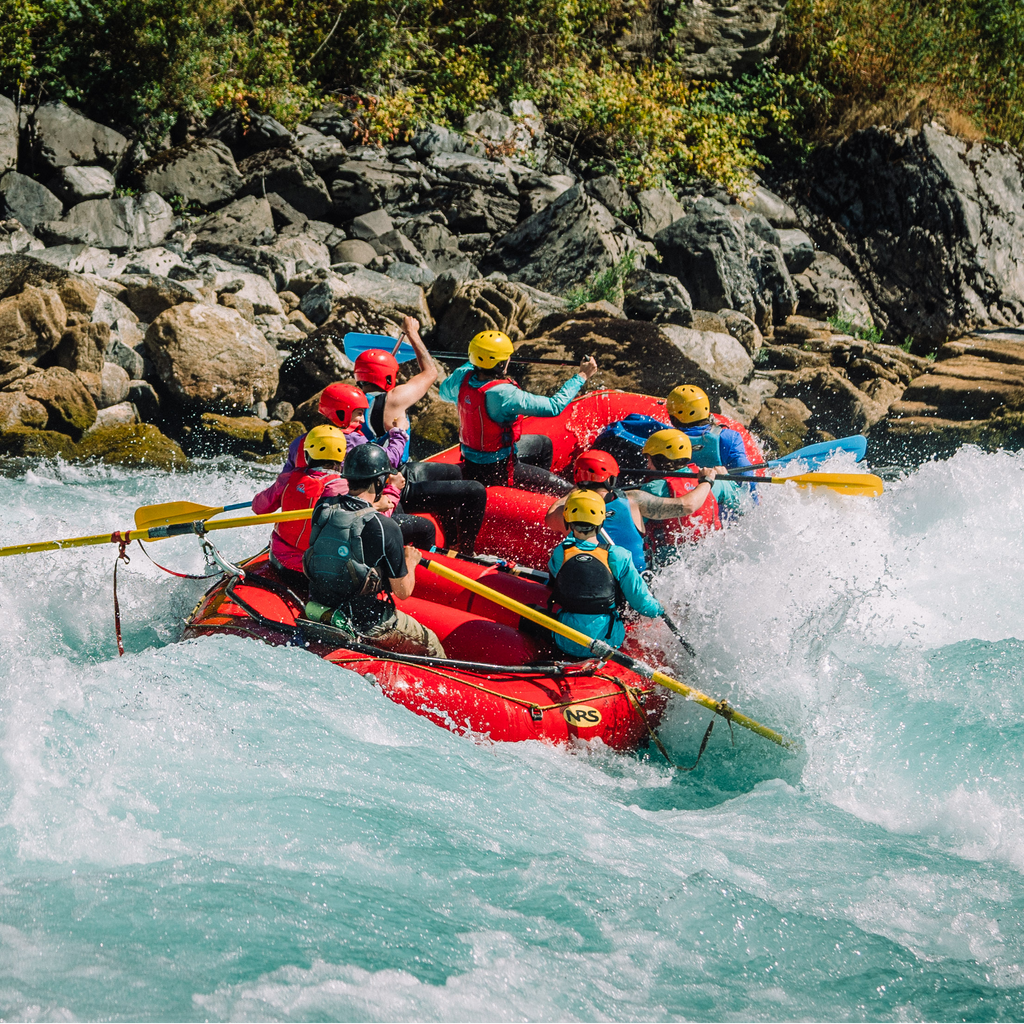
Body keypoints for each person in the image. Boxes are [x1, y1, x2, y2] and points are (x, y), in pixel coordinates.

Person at [355, 321, 489, 556]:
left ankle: (452, 536)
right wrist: (413, 334)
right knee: (476, 490)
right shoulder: (394, 399)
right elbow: (431, 372)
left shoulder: (353, 402)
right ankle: (467, 551)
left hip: (391, 469)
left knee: (454, 473)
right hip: (391, 480)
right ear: (388, 378)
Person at [302, 443, 446, 658]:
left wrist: (374, 507)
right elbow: (402, 592)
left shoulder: (323, 509)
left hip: (319, 607)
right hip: (365, 621)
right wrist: (411, 560)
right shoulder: (386, 527)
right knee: (432, 643)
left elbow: (350, 514)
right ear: (379, 482)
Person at [438, 330, 599, 493]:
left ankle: (531, 488)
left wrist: (475, 361)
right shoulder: (505, 394)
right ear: (501, 364)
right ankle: (536, 493)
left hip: (470, 459)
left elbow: (443, 393)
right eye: (507, 357)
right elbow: (554, 406)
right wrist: (582, 375)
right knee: (567, 489)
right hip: (498, 468)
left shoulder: (461, 377)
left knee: (543, 444)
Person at [544, 447, 720, 572]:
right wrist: (707, 481)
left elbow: (550, 514)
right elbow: (687, 505)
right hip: (638, 583)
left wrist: (577, 490)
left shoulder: (565, 513)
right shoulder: (634, 500)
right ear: (612, 480)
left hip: (601, 585)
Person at [547, 490, 664, 659]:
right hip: (608, 641)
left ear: (567, 521)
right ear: (601, 521)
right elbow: (641, 603)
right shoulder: (618, 556)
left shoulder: (560, 553)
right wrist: (659, 609)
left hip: (566, 639)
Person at [252, 425, 349, 577]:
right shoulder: (344, 488)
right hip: (316, 569)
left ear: (307, 454)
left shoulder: (288, 478)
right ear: (342, 456)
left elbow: (258, 507)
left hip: (279, 560)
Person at [666, 384, 762, 516]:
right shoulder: (729, 437)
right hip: (720, 513)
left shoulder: (666, 439)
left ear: (674, 417)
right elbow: (747, 478)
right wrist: (754, 503)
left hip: (682, 504)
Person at [638, 430, 723, 563]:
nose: (647, 465)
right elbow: (742, 503)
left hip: (667, 561)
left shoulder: (653, 489)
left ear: (659, 459)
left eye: (648, 459)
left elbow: (634, 524)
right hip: (711, 553)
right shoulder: (716, 482)